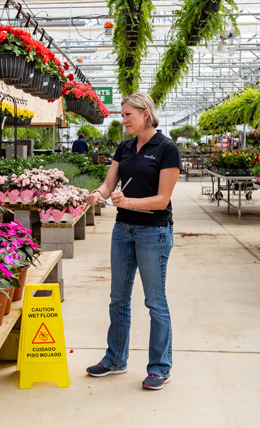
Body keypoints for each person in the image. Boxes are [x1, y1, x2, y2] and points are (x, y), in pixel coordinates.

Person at [85, 92, 181, 391]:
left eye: (127, 114)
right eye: (122, 114)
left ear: (145, 114)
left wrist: (129, 203)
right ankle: (115, 360)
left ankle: (159, 367)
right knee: (118, 298)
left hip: (153, 231)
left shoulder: (167, 149)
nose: (123, 119)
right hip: (123, 230)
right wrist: (98, 194)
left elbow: (162, 200)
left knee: (155, 301)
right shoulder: (124, 147)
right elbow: (108, 182)